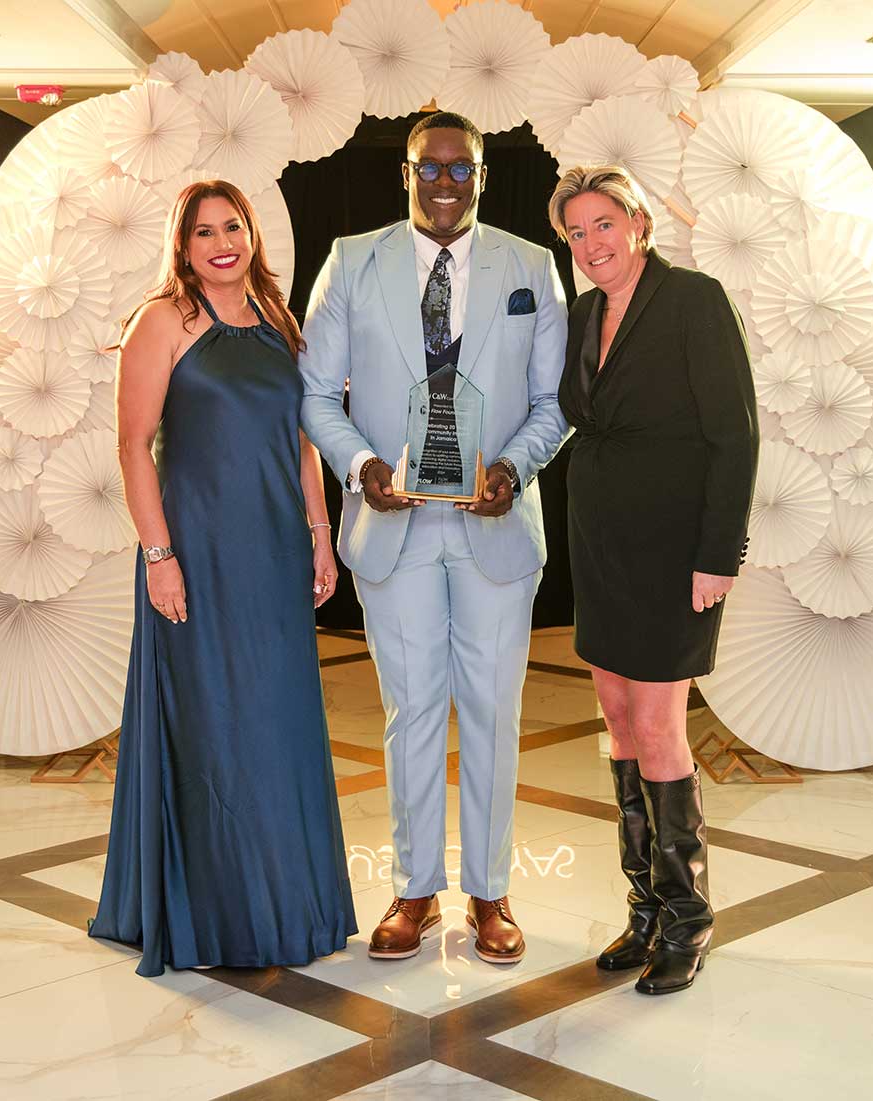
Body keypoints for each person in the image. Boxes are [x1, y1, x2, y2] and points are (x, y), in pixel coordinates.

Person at [299, 113, 568, 964]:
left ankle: (490, 893)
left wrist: (514, 471)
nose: (445, 183)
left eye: (463, 169)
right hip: (396, 524)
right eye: (430, 168)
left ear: (483, 176)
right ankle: (414, 889)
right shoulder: (351, 259)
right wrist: (361, 464)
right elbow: (314, 395)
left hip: (492, 527)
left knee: (492, 710)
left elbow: (554, 403)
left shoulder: (532, 266)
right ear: (405, 173)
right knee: (411, 708)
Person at [89, 180, 357, 976]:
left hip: (274, 554)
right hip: (197, 556)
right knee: (208, 726)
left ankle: (285, 903)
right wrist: (158, 556)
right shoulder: (163, 321)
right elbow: (133, 446)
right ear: (183, 243)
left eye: (231, 226)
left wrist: (320, 532)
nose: (220, 242)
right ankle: (212, 914)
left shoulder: (279, 321)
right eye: (202, 231)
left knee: (274, 726)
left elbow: (302, 441)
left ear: (252, 233)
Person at [548, 165, 758, 995]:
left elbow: (734, 435)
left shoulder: (694, 298)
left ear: (636, 222)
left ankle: (688, 919)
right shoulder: (582, 313)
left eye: (604, 223)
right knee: (617, 716)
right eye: (576, 232)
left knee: (662, 723)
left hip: (675, 545)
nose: (592, 243)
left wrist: (718, 552)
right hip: (600, 539)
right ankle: (644, 912)